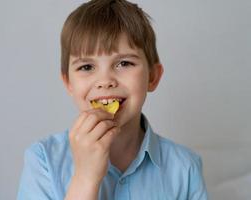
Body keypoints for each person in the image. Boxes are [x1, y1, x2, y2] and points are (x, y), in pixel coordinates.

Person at [17, 0, 208, 199]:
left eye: (124, 63)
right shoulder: (43, 160)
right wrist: (85, 177)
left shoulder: (186, 168)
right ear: (68, 84)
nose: (105, 81)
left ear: (152, 77)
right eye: (86, 67)